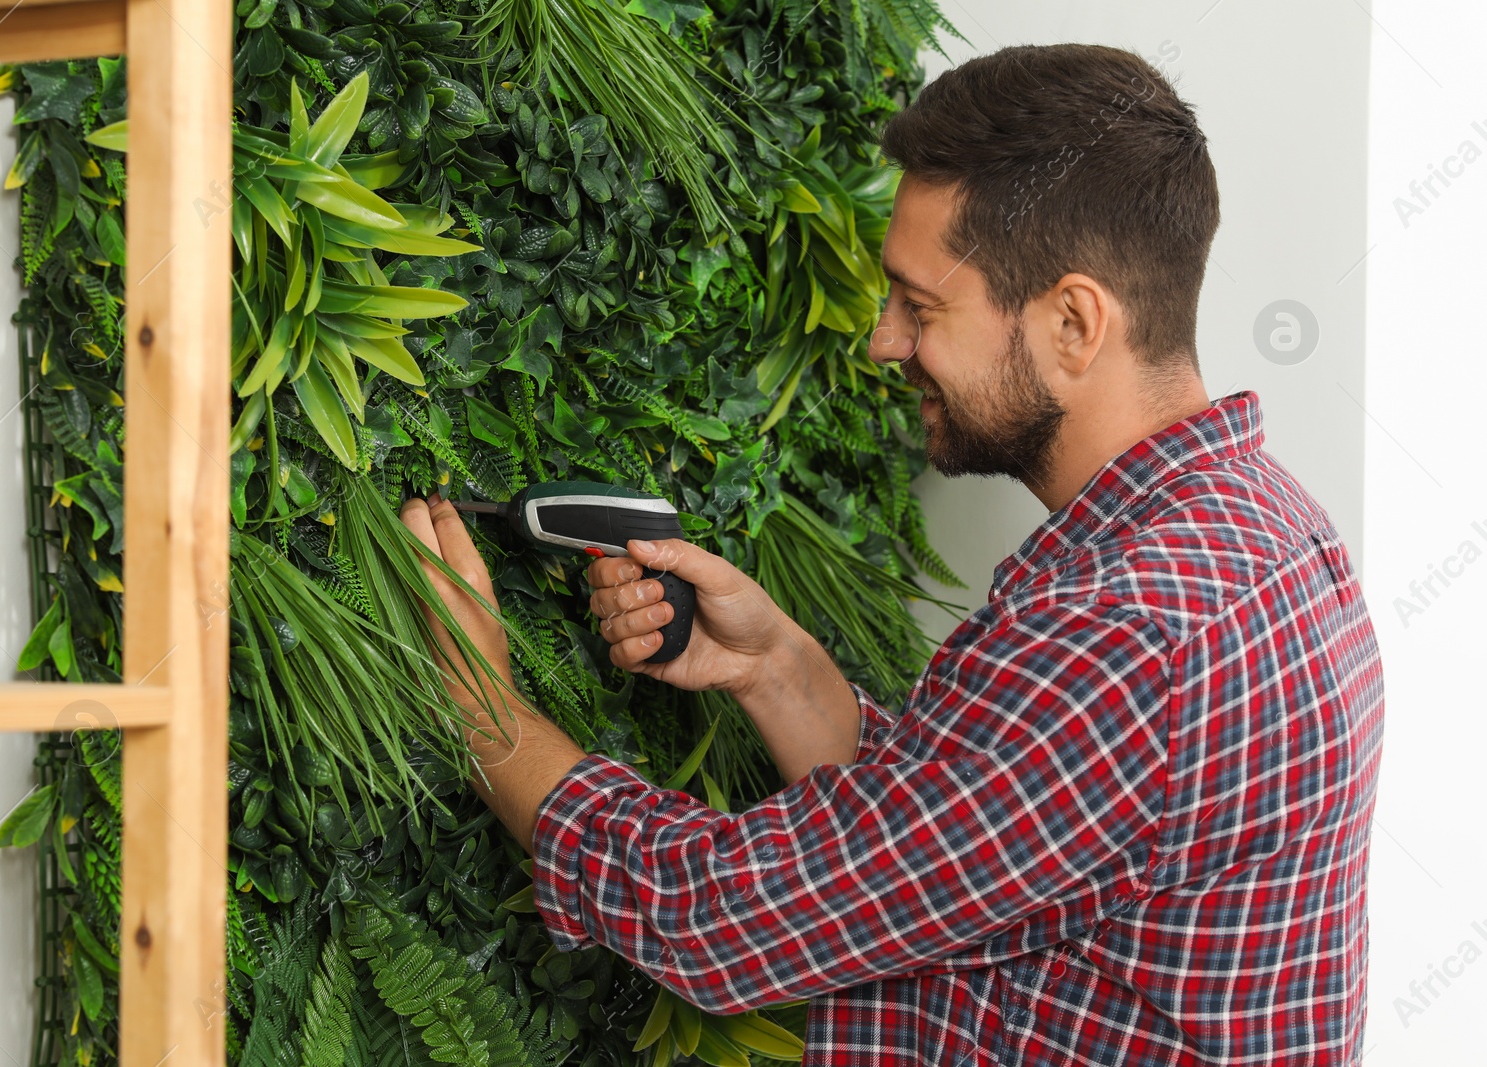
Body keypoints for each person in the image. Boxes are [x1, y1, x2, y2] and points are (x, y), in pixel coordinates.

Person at [398, 42, 1384, 1067]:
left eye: (921, 305)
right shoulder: (1265, 530)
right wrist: (773, 664)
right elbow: (970, 846)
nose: (882, 340)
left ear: (1072, 320)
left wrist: (485, 713)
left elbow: (719, 918)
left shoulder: (1123, 636)